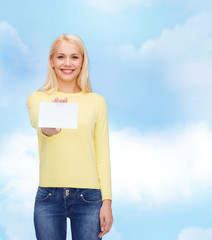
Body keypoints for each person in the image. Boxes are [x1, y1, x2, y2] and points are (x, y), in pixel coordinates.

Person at [26, 34, 113, 240]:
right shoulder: (37, 98)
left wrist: (107, 202)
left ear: (83, 61)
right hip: (48, 197)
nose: (67, 63)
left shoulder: (96, 101)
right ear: (51, 61)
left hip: (90, 198)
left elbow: (102, 154)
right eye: (61, 57)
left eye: (74, 57)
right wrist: (49, 126)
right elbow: (40, 124)